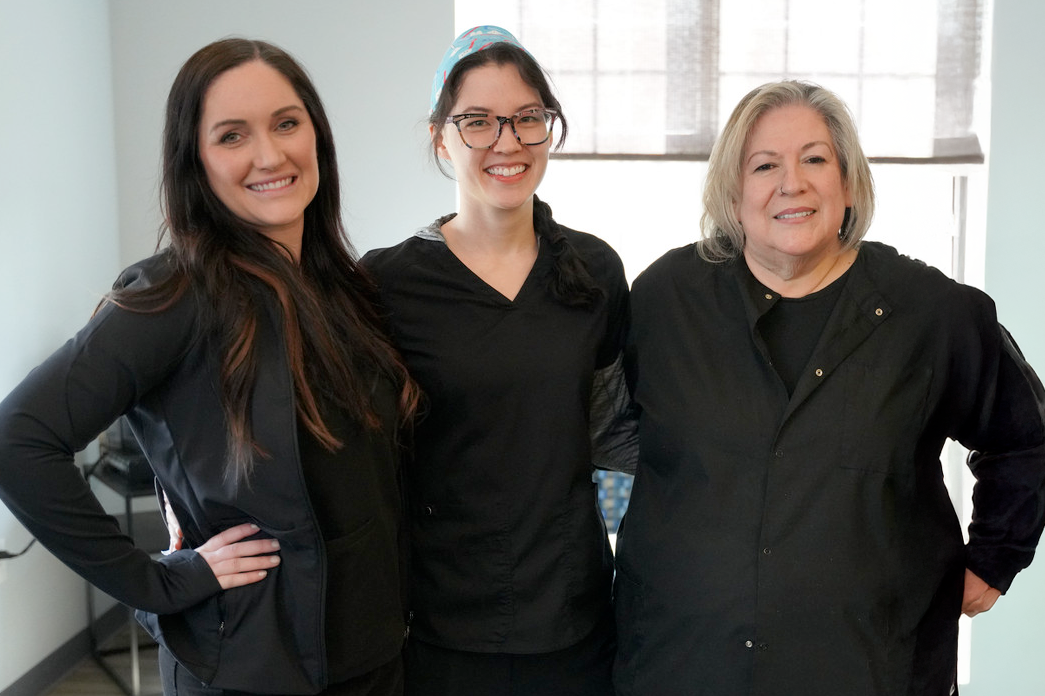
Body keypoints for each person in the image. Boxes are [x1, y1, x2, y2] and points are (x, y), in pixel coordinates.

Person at [0, 38, 419, 696]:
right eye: (231, 135)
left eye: (287, 123)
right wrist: (156, 582)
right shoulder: (171, 296)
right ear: (194, 160)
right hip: (248, 669)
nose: (269, 155)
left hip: (370, 659)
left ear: (318, 136)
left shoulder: (342, 288)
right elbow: (16, 438)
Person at [613, 80, 1045, 696]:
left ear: (849, 182)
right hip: (682, 665)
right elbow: (611, 430)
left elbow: (1027, 439)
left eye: (815, 159)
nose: (793, 184)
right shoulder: (664, 300)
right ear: (734, 193)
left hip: (873, 669)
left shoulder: (932, 313)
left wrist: (995, 558)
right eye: (765, 165)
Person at [361, 26, 633, 696]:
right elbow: (358, 454)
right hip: (439, 624)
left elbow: (615, 432)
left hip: (574, 615)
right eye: (477, 121)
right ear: (440, 137)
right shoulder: (387, 284)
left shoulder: (594, 270)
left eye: (527, 119)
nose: (506, 142)